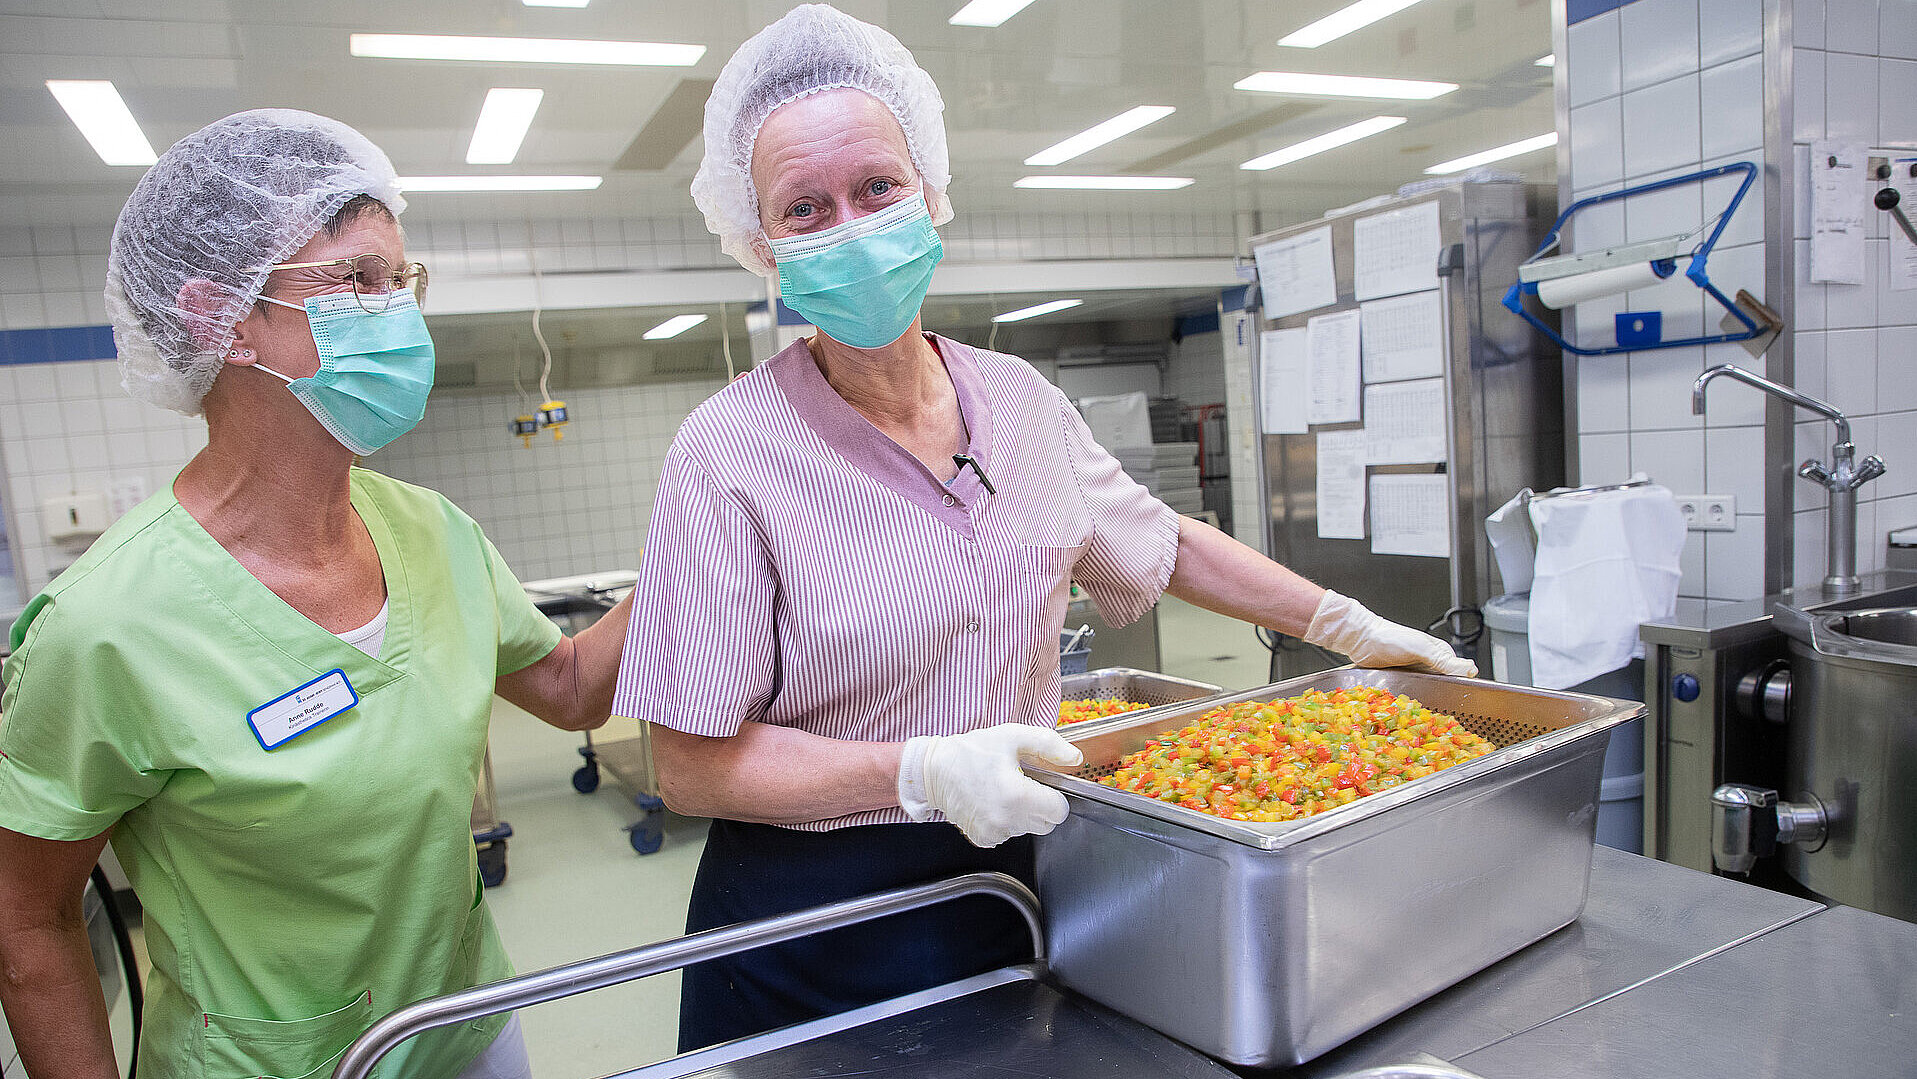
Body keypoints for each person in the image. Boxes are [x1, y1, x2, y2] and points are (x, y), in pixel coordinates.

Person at [610, 3, 1478, 1053]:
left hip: (1024, 878)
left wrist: (1344, 623)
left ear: (931, 193)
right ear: (761, 246)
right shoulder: (726, 452)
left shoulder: (1019, 400)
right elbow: (690, 764)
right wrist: (919, 771)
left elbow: (1159, 540)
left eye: (878, 187)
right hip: (817, 926)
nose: (851, 225)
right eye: (806, 208)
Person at [0, 110, 630, 1079]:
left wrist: (701, 533)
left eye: (400, 281)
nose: (398, 315)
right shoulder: (105, 629)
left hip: (467, 1024)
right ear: (225, 316)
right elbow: (28, 916)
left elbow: (575, 686)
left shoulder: (433, 532)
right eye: (354, 281)